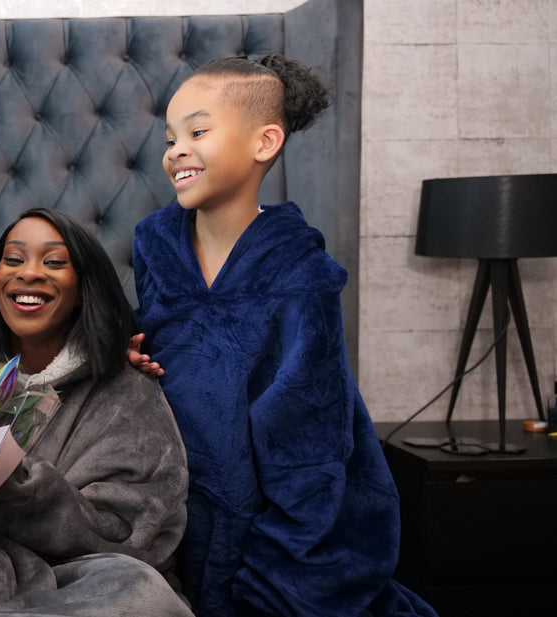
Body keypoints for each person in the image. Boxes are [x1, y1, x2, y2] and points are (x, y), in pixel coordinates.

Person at [132, 55, 438, 617]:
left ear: (264, 141)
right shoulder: (154, 241)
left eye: (197, 131)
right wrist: (128, 346)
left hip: (268, 501)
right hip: (172, 492)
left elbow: (310, 436)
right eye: (170, 136)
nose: (175, 149)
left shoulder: (301, 276)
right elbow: (159, 331)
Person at [0, 208, 193, 617]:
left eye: (53, 262)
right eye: (13, 259)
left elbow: (134, 534)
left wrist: (10, 480)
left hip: (91, 580)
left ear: (84, 286)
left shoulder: (127, 390)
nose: (29, 273)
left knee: (143, 597)